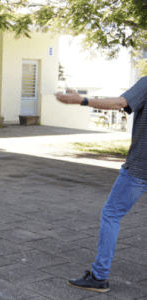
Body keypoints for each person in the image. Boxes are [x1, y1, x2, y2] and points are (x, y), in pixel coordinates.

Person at [55, 84, 147, 293]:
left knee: (111, 214)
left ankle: (99, 276)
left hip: (141, 166)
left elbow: (120, 103)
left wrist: (83, 100)